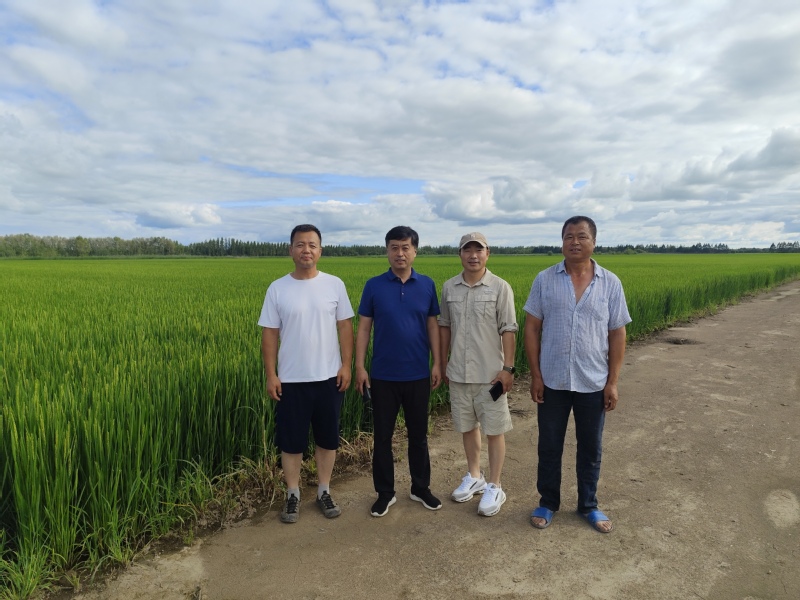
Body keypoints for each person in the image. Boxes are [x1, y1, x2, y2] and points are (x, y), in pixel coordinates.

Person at [523, 216, 631, 533]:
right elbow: (532, 328)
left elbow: (617, 333)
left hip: (593, 381)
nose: (574, 242)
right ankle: (548, 502)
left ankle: (588, 505)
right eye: (568, 236)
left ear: (593, 242)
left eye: (582, 236)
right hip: (553, 381)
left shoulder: (610, 283)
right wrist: (536, 375)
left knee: (591, 448)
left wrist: (612, 382)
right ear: (562, 242)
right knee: (549, 446)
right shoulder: (545, 280)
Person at [259, 224, 354, 524]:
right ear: (291, 250)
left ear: (320, 251)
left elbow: (345, 327)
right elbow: (270, 334)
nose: (306, 250)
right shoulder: (277, 288)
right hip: (291, 380)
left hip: (328, 378)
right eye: (300, 244)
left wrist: (347, 365)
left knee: (327, 438)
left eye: (312, 245)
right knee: (291, 441)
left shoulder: (334, 285)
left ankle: (324, 490)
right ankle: (292, 493)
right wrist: (271, 374)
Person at [355, 225, 443, 517]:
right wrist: (359, 366)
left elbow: (432, 325)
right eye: (394, 247)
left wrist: (437, 362)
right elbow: (364, 328)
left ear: (415, 251)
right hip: (383, 376)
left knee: (419, 435)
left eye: (406, 247)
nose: (400, 253)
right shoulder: (374, 286)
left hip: (418, 374)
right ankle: (385, 493)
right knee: (382, 437)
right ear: (387, 251)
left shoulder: (427, 285)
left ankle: (420, 488)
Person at [440, 232, 518, 517]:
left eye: (479, 250)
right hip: (459, 373)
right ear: (460, 254)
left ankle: (495, 485)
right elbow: (445, 326)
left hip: (490, 375)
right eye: (467, 250)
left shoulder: (500, 287)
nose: (473, 255)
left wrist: (508, 369)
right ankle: (475, 476)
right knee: (467, 426)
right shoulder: (449, 288)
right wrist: (442, 362)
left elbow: (508, 329)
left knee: (494, 430)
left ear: (487, 253)